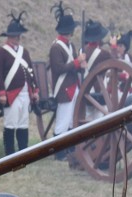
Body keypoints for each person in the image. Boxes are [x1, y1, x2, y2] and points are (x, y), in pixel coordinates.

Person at [0, 11, 39, 155]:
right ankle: (10, 153)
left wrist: (35, 90)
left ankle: (23, 152)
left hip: (25, 93)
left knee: (23, 123)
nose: (17, 38)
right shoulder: (1, 53)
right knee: (10, 124)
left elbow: (31, 71)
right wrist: (1, 93)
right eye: (15, 35)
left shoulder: (24, 52)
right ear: (9, 36)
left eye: (19, 35)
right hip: (11, 94)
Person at [48, 2, 84, 159]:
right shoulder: (56, 47)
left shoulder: (70, 45)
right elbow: (59, 68)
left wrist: (81, 65)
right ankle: (59, 152)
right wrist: (77, 62)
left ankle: (69, 150)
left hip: (73, 86)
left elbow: (74, 67)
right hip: (63, 88)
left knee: (70, 121)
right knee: (63, 121)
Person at [81, 19, 114, 123]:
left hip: (86, 89)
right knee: (99, 118)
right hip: (98, 91)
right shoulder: (103, 54)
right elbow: (115, 62)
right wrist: (113, 46)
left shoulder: (82, 50)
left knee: (88, 118)